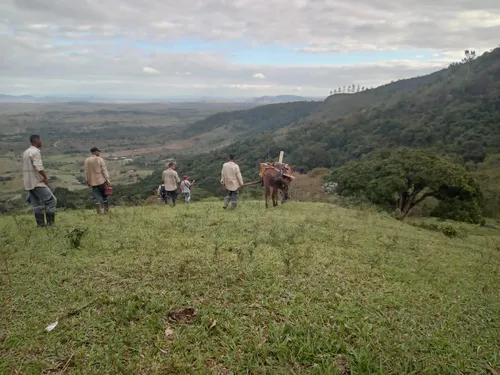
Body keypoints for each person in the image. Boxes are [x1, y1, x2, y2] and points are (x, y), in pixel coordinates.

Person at [22, 134, 57, 227]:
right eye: (40, 140)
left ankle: (40, 225)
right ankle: (50, 224)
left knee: (37, 204)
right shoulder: (35, 152)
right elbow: (38, 166)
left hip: (28, 183)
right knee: (51, 201)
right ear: (36, 141)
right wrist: (45, 177)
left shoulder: (26, 152)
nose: (41, 142)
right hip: (37, 182)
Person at [84, 147, 111, 214]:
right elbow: (104, 170)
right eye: (98, 152)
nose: (99, 153)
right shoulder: (100, 159)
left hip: (92, 182)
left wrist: (88, 181)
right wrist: (108, 180)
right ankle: (106, 211)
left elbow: (86, 172)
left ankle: (99, 213)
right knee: (105, 196)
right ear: (96, 152)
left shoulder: (87, 160)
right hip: (101, 181)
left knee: (96, 198)